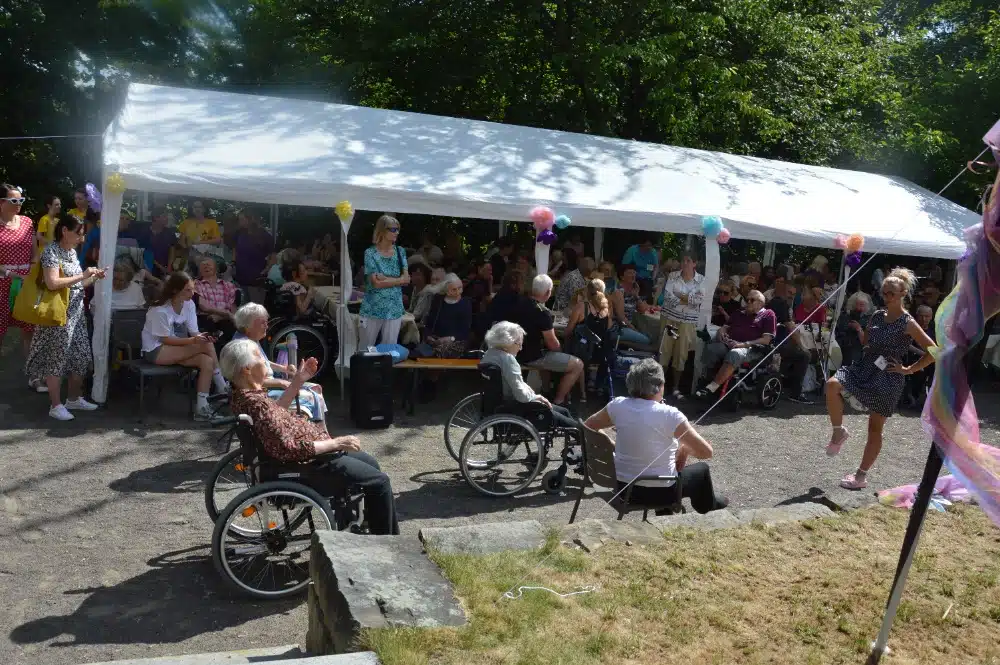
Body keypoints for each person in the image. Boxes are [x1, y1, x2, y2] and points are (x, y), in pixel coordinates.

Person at [221, 339, 398, 535]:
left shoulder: (246, 396)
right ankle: (387, 543)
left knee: (370, 463)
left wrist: (299, 380)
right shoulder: (256, 403)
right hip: (306, 465)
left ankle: (355, 524)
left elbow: (274, 415)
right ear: (247, 369)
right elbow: (287, 448)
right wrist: (335, 443)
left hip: (303, 459)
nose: (264, 361)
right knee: (380, 482)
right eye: (259, 358)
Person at [824, 268, 937, 490]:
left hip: (888, 378)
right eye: (884, 293)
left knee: (874, 429)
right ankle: (838, 431)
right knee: (831, 385)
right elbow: (867, 341)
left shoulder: (908, 322)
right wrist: (860, 332)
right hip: (865, 367)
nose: (887, 297)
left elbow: (933, 351)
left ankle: (860, 476)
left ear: (903, 293)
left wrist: (909, 369)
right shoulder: (876, 315)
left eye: (891, 293)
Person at [584, 359, 728, 514]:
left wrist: (610, 444)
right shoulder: (670, 414)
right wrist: (685, 450)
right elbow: (707, 452)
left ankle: (665, 515)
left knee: (664, 469)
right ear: (659, 386)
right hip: (657, 494)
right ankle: (708, 505)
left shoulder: (617, 405)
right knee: (701, 470)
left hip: (621, 488)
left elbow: (588, 426)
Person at [25, 215, 108, 420]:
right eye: (79, 234)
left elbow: (76, 285)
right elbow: (52, 283)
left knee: (80, 357)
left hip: (76, 315)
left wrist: (93, 279)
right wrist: (83, 275)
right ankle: (55, 405)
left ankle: (73, 399)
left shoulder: (71, 252)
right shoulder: (50, 252)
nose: (82, 238)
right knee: (56, 360)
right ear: (64, 231)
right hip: (58, 316)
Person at [141, 271, 229, 420]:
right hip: (155, 350)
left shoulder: (189, 304)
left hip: (177, 349)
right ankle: (222, 387)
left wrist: (203, 337)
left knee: (207, 361)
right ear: (175, 290)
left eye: (193, 289)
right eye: (188, 290)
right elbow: (165, 340)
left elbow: (194, 332)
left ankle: (201, 408)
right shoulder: (160, 310)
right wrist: (195, 341)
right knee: (205, 346)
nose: (192, 293)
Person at [232, 303, 327, 422]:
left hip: (270, 388)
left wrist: (284, 368)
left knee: (316, 388)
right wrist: (281, 382)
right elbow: (250, 381)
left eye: (266, 322)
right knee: (311, 396)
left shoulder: (252, 338)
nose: (266, 326)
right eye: (262, 323)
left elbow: (264, 362)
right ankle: (310, 428)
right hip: (262, 395)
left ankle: (319, 429)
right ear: (248, 326)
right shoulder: (243, 348)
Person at [482, 321, 581, 430]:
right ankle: (583, 432)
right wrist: (536, 397)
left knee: (564, 411)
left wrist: (534, 395)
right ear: (508, 342)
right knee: (568, 422)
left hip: (497, 405)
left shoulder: (489, 354)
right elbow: (521, 396)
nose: (520, 348)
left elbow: (517, 383)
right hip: (515, 407)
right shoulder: (508, 360)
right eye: (519, 344)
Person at [512, 274, 584, 406]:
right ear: (548, 292)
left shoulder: (519, 303)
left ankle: (546, 391)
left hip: (515, 352)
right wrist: (562, 352)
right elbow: (552, 344)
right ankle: (558, 402)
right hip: (531, 357)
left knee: (549, 358)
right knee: (577, 364)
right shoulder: (542, 312)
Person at [695, 290, 776, 399]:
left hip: (751, 348)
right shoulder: (739, 312)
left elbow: (766, 340)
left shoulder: (768, 314)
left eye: (752, 300)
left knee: (734, 354)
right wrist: (721, 333)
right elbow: (724, 327)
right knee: (711, 349)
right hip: (730, 343)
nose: (748, 302)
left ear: (761, 303)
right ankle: (707, 379)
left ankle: (712, 387)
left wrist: (743, 344)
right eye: (747, 299)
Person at [659, 254, 704, 398]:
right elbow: (668, 297)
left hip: (687, 322)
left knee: (681, 354)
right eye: (683, 260)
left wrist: (679, 295)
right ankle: (660, 387)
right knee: (665, 351)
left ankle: (675, 388)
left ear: (695, 263)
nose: (684, 263)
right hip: (671, 320)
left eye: (688, 261)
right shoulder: (673, 275)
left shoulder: (702, 280)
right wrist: (688, 299)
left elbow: (698, 300)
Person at [359, 214, 408, 348]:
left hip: (394, 308)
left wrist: (385, 279)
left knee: (389, 351)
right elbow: (376, 283)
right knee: (365, 348)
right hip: (373, 307)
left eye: (398, 229)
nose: (396, 232)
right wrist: (398, 280)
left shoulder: (400, 252)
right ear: (382, 230)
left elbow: (406, 279)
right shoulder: (370, 253)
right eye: (393, 229)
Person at [0, 184, 36, 362]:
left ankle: (31, 371)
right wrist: (11, 274)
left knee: (30, 329)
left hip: (26, 283)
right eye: (14, 200)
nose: (19, 203)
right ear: (1, 202)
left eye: (21, 200)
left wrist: (32, 272)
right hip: (2, 282)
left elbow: (35, 253)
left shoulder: (27, 222)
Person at [564, 279, 616, 399]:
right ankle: (595, 384)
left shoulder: (582, 307)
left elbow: (568, 331)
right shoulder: (606, 309)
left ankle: (571, 387)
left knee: (565, 345)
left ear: (587, 291)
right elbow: (608, 329)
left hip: (582, 352)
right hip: (600, 352)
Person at [767, 272, 811, 404]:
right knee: (805, 355)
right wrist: (803, 347)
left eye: (793, 294)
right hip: (775, 344)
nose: (791, 296)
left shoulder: (773, 302)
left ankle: (783, 381)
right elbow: (792, 328)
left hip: (773, 341)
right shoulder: (781, 304)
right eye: (789, 293)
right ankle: (796, 393)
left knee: (794, 350)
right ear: (782, 291)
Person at [423, 273, 473, 357]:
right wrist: (428, 336)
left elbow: (465, 330)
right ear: (446, 290)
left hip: (456, 341)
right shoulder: (438, 301)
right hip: (436, 339)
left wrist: (450, 338)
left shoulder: (465, 303)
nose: (458, 292)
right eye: (454, 289)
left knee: (438, 353)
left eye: (460, 288)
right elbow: (429, 322)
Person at [902, 304, 937, 408]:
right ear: (916, 316)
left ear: (931, 317)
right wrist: (924, 354)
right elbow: (907, 345)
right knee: (920, 371)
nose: (924, 319)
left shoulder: (934, 330)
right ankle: (913, 395)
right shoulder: (911, 328)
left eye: (927, 316)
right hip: (913, 358)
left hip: (931, 359)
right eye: (921, 316)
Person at [195, 255, 238, 336]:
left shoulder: (229, 286)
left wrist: (220, 316)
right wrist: (226, 313)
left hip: (228, 322)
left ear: (216, 268)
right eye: (203, 266)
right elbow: (204, 306)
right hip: (206, 321)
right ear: (199, 271)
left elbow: (234, 312)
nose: (206, 267)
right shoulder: (196, 284)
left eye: (209, 265)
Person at [609, 263, 651, 345]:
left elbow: (642, 310)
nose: (633, 275)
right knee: (647, 341)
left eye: (634, 273)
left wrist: (636, 295)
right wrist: (634, 329)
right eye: (629, 273)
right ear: (622, 277)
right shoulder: (618, 292)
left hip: (626, 327)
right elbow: (621, 318)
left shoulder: (632, 292)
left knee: (650, 336)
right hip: (617, 328)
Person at [233, 208, 273, 289]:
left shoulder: (264, 235)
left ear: (250, 219)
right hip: (240, 278)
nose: (240, 222)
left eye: (242, 219)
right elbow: (235, 249)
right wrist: (233, 262)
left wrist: (266, 270)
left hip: (256, 279)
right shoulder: (239, 233)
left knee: (255, 297)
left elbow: (273, 255)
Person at [835, 290, 874, 368]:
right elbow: (838, 333)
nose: (859, 308)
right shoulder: (844, 316)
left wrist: (858, 329)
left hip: (858, 351)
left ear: (866, 306)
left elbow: (866, 342)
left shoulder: (868, 320)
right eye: (857, 304)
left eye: (862, 305)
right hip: (843, 348)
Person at [147, 206, 177, 278]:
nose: (167, 218)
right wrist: (161, 268)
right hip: (149, 267)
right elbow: (146, 253)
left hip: (166, 268)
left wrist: (169, 266)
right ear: (155, 218)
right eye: (164, 216)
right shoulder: (145, 233)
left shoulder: (170, 233)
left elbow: (172, 250)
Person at [552, 248, 584, 312]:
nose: (561, 258)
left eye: (563, 256)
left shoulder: (574, 276)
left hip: (566, 312)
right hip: (559, 310)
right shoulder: (567, 272)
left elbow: (576, 299)